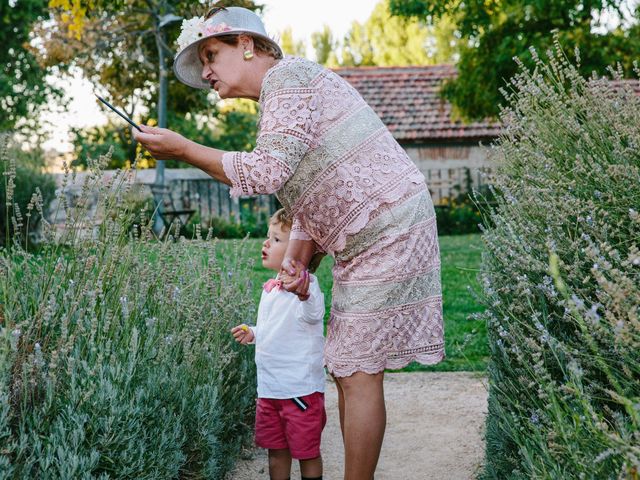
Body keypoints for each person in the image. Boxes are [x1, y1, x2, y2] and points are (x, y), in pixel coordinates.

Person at [133, 6, 445, 479]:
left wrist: (185, 150)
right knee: (347, 367)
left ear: (248, 45)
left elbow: (266, 172)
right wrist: (298, 261)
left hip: (387, 224)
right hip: (371, 229)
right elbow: (305, 195)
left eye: (211, 54)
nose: (207, 72)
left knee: (356, 369)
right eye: (201, 65)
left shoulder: (288, 78)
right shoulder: (280, 97)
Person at [231, 208, 326, 480]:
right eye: (267, 237)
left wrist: (304, 293)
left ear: (299, 252)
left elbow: (313, 315)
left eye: (275, 240)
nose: (265, 243)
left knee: (307, 453)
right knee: (276, 451)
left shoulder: (308, 289)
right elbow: (277, 329)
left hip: (299, 392)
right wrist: (255, 332)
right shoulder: (271, 288)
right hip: (270, 390)